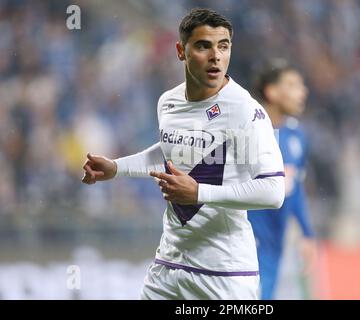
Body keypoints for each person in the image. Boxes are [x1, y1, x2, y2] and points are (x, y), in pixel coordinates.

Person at [81, 8, 285, 300]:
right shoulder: (168, 102)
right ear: (181, 51)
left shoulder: (245, 111)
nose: (216, 56)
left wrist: (199, 192)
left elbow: (273, 191)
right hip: (168, 265)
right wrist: (116, 167)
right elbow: (171, 153)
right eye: (204, 46)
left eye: (223, 46)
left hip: (225, 274)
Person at [247, 61, 316, 300]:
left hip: (275, 244)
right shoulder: (247, 133)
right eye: (293, 85)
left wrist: (307, 233)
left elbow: (294, 188)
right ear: (272, 92)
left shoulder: (297, 136)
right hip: (244, 242)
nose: (303, 91)